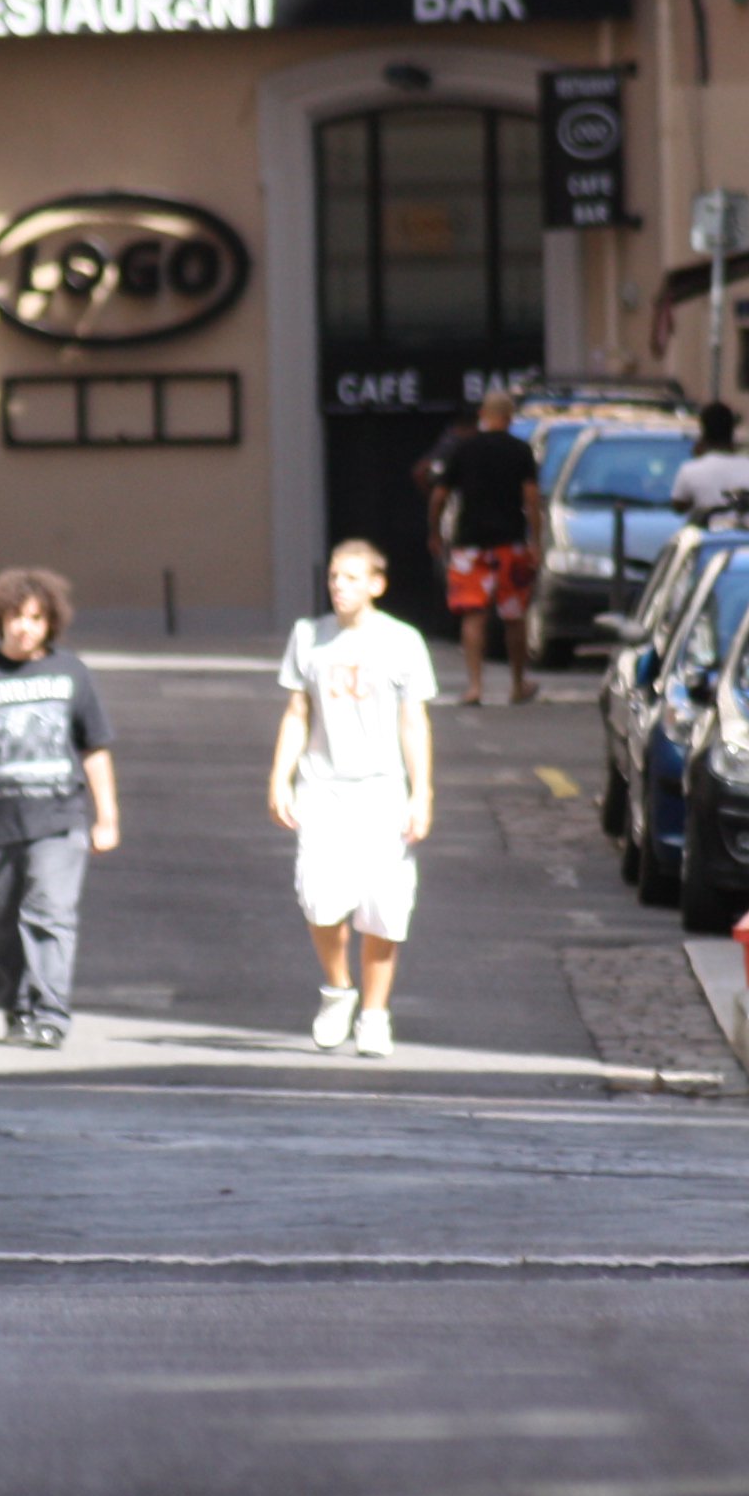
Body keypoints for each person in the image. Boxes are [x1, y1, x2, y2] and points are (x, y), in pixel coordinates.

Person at [0, 566, 120, 1045]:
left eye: (35, 618)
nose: (24, 626)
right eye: (15, 616)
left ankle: (51, 1014)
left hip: (60, 820)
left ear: (50, 622)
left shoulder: (71, 673)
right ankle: (16, 1009)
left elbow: (95, 748)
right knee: (3, 926)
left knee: (49, 911)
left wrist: (107, 816)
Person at [268, 540, 436, 1060]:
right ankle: (338, 990)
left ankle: (374, 1015)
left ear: (376, 585)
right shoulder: (308, 637)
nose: (340, 585)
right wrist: (279, 777)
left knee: (384, 906)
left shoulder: (403, 641)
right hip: (323, 786)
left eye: (352, 577)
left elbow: (414, 722)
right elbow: (297, 712)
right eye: (335, 577)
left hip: (383, 788)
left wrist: (422, 792)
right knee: (319, 896)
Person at [428, 387, 545, 706]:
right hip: (511, 543)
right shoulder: (521, 451)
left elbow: (439, 496)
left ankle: (475, 686)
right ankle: (518, 684)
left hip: (470, 545)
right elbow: (531, 500)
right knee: (514, 616)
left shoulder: (464, 450)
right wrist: (536, 541)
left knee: (473, 616)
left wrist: (435, 533)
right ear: (509, 418)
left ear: (483, 415)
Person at [668, 400, 749, 517]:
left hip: (708, 534)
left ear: (703, 431)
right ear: (732, 430)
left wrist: (699, 458)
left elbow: (679, 506)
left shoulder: (690, 470)